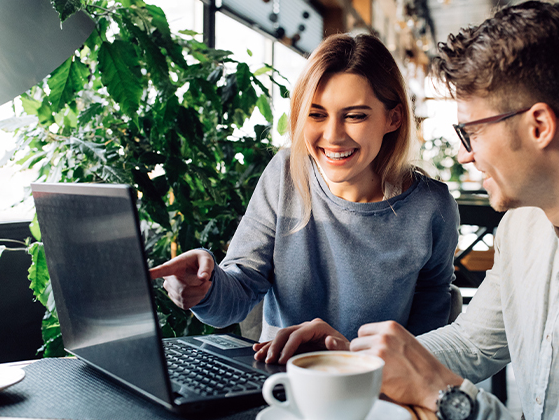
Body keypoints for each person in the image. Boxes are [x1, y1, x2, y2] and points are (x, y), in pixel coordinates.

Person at [256, 0, 559, 420]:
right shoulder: (525, 224)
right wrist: (354, 361)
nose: (466, 154)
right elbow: (473, 343)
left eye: (472, 131)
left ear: (540, 126)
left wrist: (447, 396)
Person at [149, 34, 460, 349]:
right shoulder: (285, 173)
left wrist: (361, 364)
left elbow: (425, 334)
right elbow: (238, 294)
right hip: (280, 379)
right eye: (316, 114)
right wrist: (206, 286)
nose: (333, 136)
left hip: (375, 384)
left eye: (355, 116)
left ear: (393, 118)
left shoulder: (432, 207)